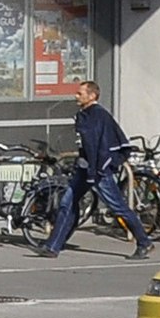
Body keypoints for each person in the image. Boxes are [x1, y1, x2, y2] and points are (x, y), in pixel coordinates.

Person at [36, 80, 143, 260]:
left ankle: (144, 242)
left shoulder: (98, 115)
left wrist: (99, 168)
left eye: (80, 93)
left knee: (118, 207)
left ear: (92, 95)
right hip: (85, 169)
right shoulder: (83, 114)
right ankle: (53, 246)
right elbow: (86, 144)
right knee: (67, 203)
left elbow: (100, 145)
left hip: (99, 171)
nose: (76, 96)